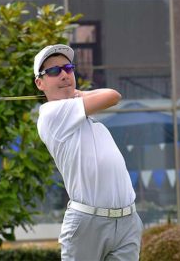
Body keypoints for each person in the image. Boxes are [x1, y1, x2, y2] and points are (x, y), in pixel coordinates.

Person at [34, 44, 143, 261]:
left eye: (68, 68)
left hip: (127, 221)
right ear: (40, 83)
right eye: (54, 71)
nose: (64, 74)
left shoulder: (86, 119)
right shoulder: (50, 113)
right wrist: (78, 93)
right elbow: (112, 95)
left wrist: (75, 94)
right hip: (87, 222)